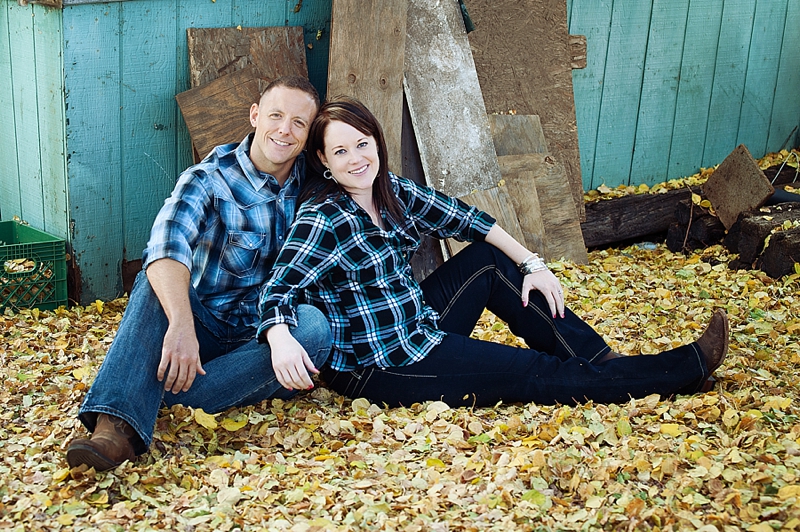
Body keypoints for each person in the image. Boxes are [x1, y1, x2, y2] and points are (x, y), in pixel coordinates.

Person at [256, 96, 730, 408]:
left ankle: (604, 364)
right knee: (535, 376)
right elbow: (278, 287)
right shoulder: (323, 218)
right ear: (323, 160)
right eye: (341, 152)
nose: (356, 159)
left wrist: (533, 264)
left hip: (417, 325)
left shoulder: (390, 189)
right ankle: (682, 368)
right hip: (383, 366)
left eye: (363, 144)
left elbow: (470, 220)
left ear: (377, 142)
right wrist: (279, 337)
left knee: (490, 261)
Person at [66, 76, 332, 472]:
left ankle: (150, 395)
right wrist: (181, 325)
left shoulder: (314, 185)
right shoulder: (208, 178)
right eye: (276, 115)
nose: (284, 130)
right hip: (201, 325)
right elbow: (166, 247)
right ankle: (115, 426)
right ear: (255, 115)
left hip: (263, 336)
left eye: (299, 123)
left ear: (309, 135)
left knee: (315, 329)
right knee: (153, 281)